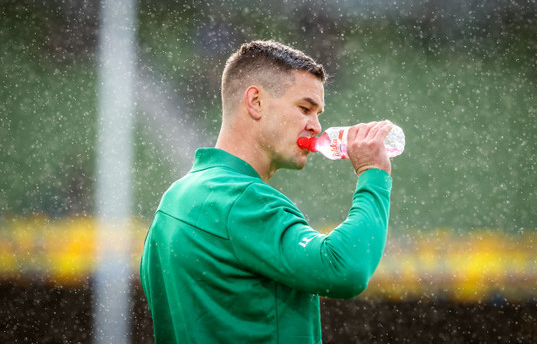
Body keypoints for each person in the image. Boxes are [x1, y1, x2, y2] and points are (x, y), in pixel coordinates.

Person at [140, 40, 394, 343]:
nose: (316, 126)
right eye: (305, 108)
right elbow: (344, 268)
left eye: (318, 113)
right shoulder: (243, 199)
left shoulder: (173, 201)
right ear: (255, 102)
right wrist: (374, 176)